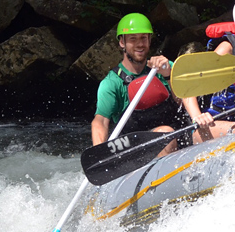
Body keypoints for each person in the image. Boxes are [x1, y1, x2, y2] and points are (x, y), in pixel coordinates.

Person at [90, 13, 223, 153]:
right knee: (166, 133)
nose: (140, 44)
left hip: (180, 134)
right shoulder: (112, 83)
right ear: (122, 43)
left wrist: (168, 76)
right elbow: (101, 121)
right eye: (133, 39)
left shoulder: (164, 67)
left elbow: (182, 100)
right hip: (139, 150)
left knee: (227, 130)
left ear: (149, 40)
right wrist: (99, 153)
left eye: (143, 38)